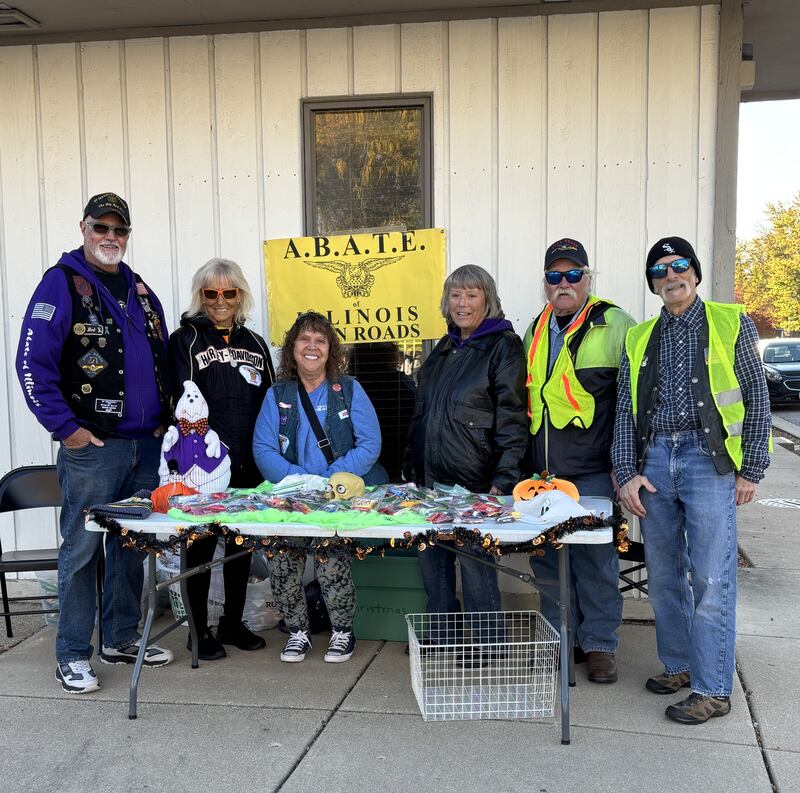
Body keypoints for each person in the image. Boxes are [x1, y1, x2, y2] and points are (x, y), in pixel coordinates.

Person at [15, 192, 174, 694]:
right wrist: (68, 429)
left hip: (143, 448)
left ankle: (121, 636)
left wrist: (163, 419)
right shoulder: (61, 284)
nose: (110, 237)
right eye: (101, 227)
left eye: (119, 230)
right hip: (93, 449)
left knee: (130, 548)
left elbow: (162, 359)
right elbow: (32, 365)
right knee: (83, 550)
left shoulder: (142, 291)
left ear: (128, 235)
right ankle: (72, 654)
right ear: (84, 228)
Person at [613, 236, 771, 724]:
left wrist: (751, 467)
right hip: (656, 460)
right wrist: (626, 473)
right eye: (660, 269)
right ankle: (680, 666)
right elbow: (625, 410)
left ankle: (713, 688)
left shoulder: (729, 321)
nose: (670, 274)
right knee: (663, 577)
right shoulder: (639, 337)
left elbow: (756, 396)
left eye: (679, 265)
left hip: (708, 460)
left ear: (695, 273)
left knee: (709, 576)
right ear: (654, 283)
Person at [523, 238, 635, 684]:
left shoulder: (615, 323)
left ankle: (600, 644)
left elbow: (632, 401)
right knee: (548, 560)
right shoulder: (535, 328)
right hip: (544, 472)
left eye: (573, 275)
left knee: (595, 559)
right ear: (546, 283)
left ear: (588, 278)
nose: (563, 283)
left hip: (593, 468)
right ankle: (558, 639)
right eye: (555, 276)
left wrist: (624, 463)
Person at [253, 311, 387, 663]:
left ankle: (343, 632)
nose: (312, 347)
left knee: (331, 561)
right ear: (292, 349)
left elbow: (370, 443)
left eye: (320, 341)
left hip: (336, 497)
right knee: (282, 559)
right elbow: (263, 448)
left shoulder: (349, 389)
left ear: (331, 350)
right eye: (304, 340)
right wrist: (298, 480)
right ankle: (298, 631)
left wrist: (331, 479)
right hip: (293, 496)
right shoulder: (277, 394)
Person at [404, 265, 527, 646]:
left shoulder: (503, 346)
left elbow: (513, 417)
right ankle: (442, 635)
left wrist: (503, 480)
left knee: (475, 566)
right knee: (433, 562)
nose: (462, 303)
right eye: (455, 295)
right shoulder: (442, 350)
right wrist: (411, 471)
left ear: (487, 300)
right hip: (430, 480)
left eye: (472, 295)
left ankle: (489, 641)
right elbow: (422, 414)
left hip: (476, 480)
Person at [167, 258, 275, 660]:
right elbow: (180, 404)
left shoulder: (255, 343)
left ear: (239, 295)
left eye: (228, 293)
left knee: (239, 547)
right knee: (200, 548)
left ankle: (231, 622)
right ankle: (198, 630)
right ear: (201, 295)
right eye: (210, 293)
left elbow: (269, 403)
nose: (219, 301)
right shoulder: (185, 340)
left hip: (249, 462)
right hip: (205, 465)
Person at [347, 342, 416, 481]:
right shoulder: (400, 382)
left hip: (358, 455)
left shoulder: (350, 384)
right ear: (390, 357)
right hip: (396, 448)